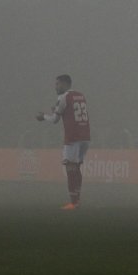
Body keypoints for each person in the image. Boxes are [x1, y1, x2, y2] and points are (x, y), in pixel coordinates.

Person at [34, 74, 90, 210]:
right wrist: (57, 111)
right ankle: (77, 198)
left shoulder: (64, 97)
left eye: (57, 84)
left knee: (70, 168)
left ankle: (73, 202)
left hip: (73, 137)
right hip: (85, 136)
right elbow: (70, 112)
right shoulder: (80, 95)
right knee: (76, 168)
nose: (56, 87)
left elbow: (54, 119)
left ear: (65, 84)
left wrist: (43, 117)